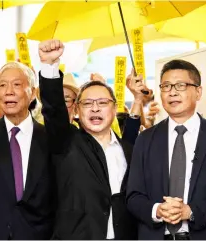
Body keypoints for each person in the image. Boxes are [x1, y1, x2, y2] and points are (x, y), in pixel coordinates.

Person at [39, 40, 143, 239]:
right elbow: (54, 111)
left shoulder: (127, 149)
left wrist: (138, 100)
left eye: (103, 103)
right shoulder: (67, 142)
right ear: (77, 110)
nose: (95, 108)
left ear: (114, 109)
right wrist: (50, 66)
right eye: (87, 103)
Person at [126, 59, 206, 240]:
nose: (172, 93)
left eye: (180, 85)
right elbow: (132, 196)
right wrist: (157, 210)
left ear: (198, 92)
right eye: (166, 86)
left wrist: (191, 212)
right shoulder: (146, 139)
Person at [0, 62, 55, 239]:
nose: (9, 91)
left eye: (17, 85)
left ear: (33, 93)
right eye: (3, 85)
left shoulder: (48, 138)